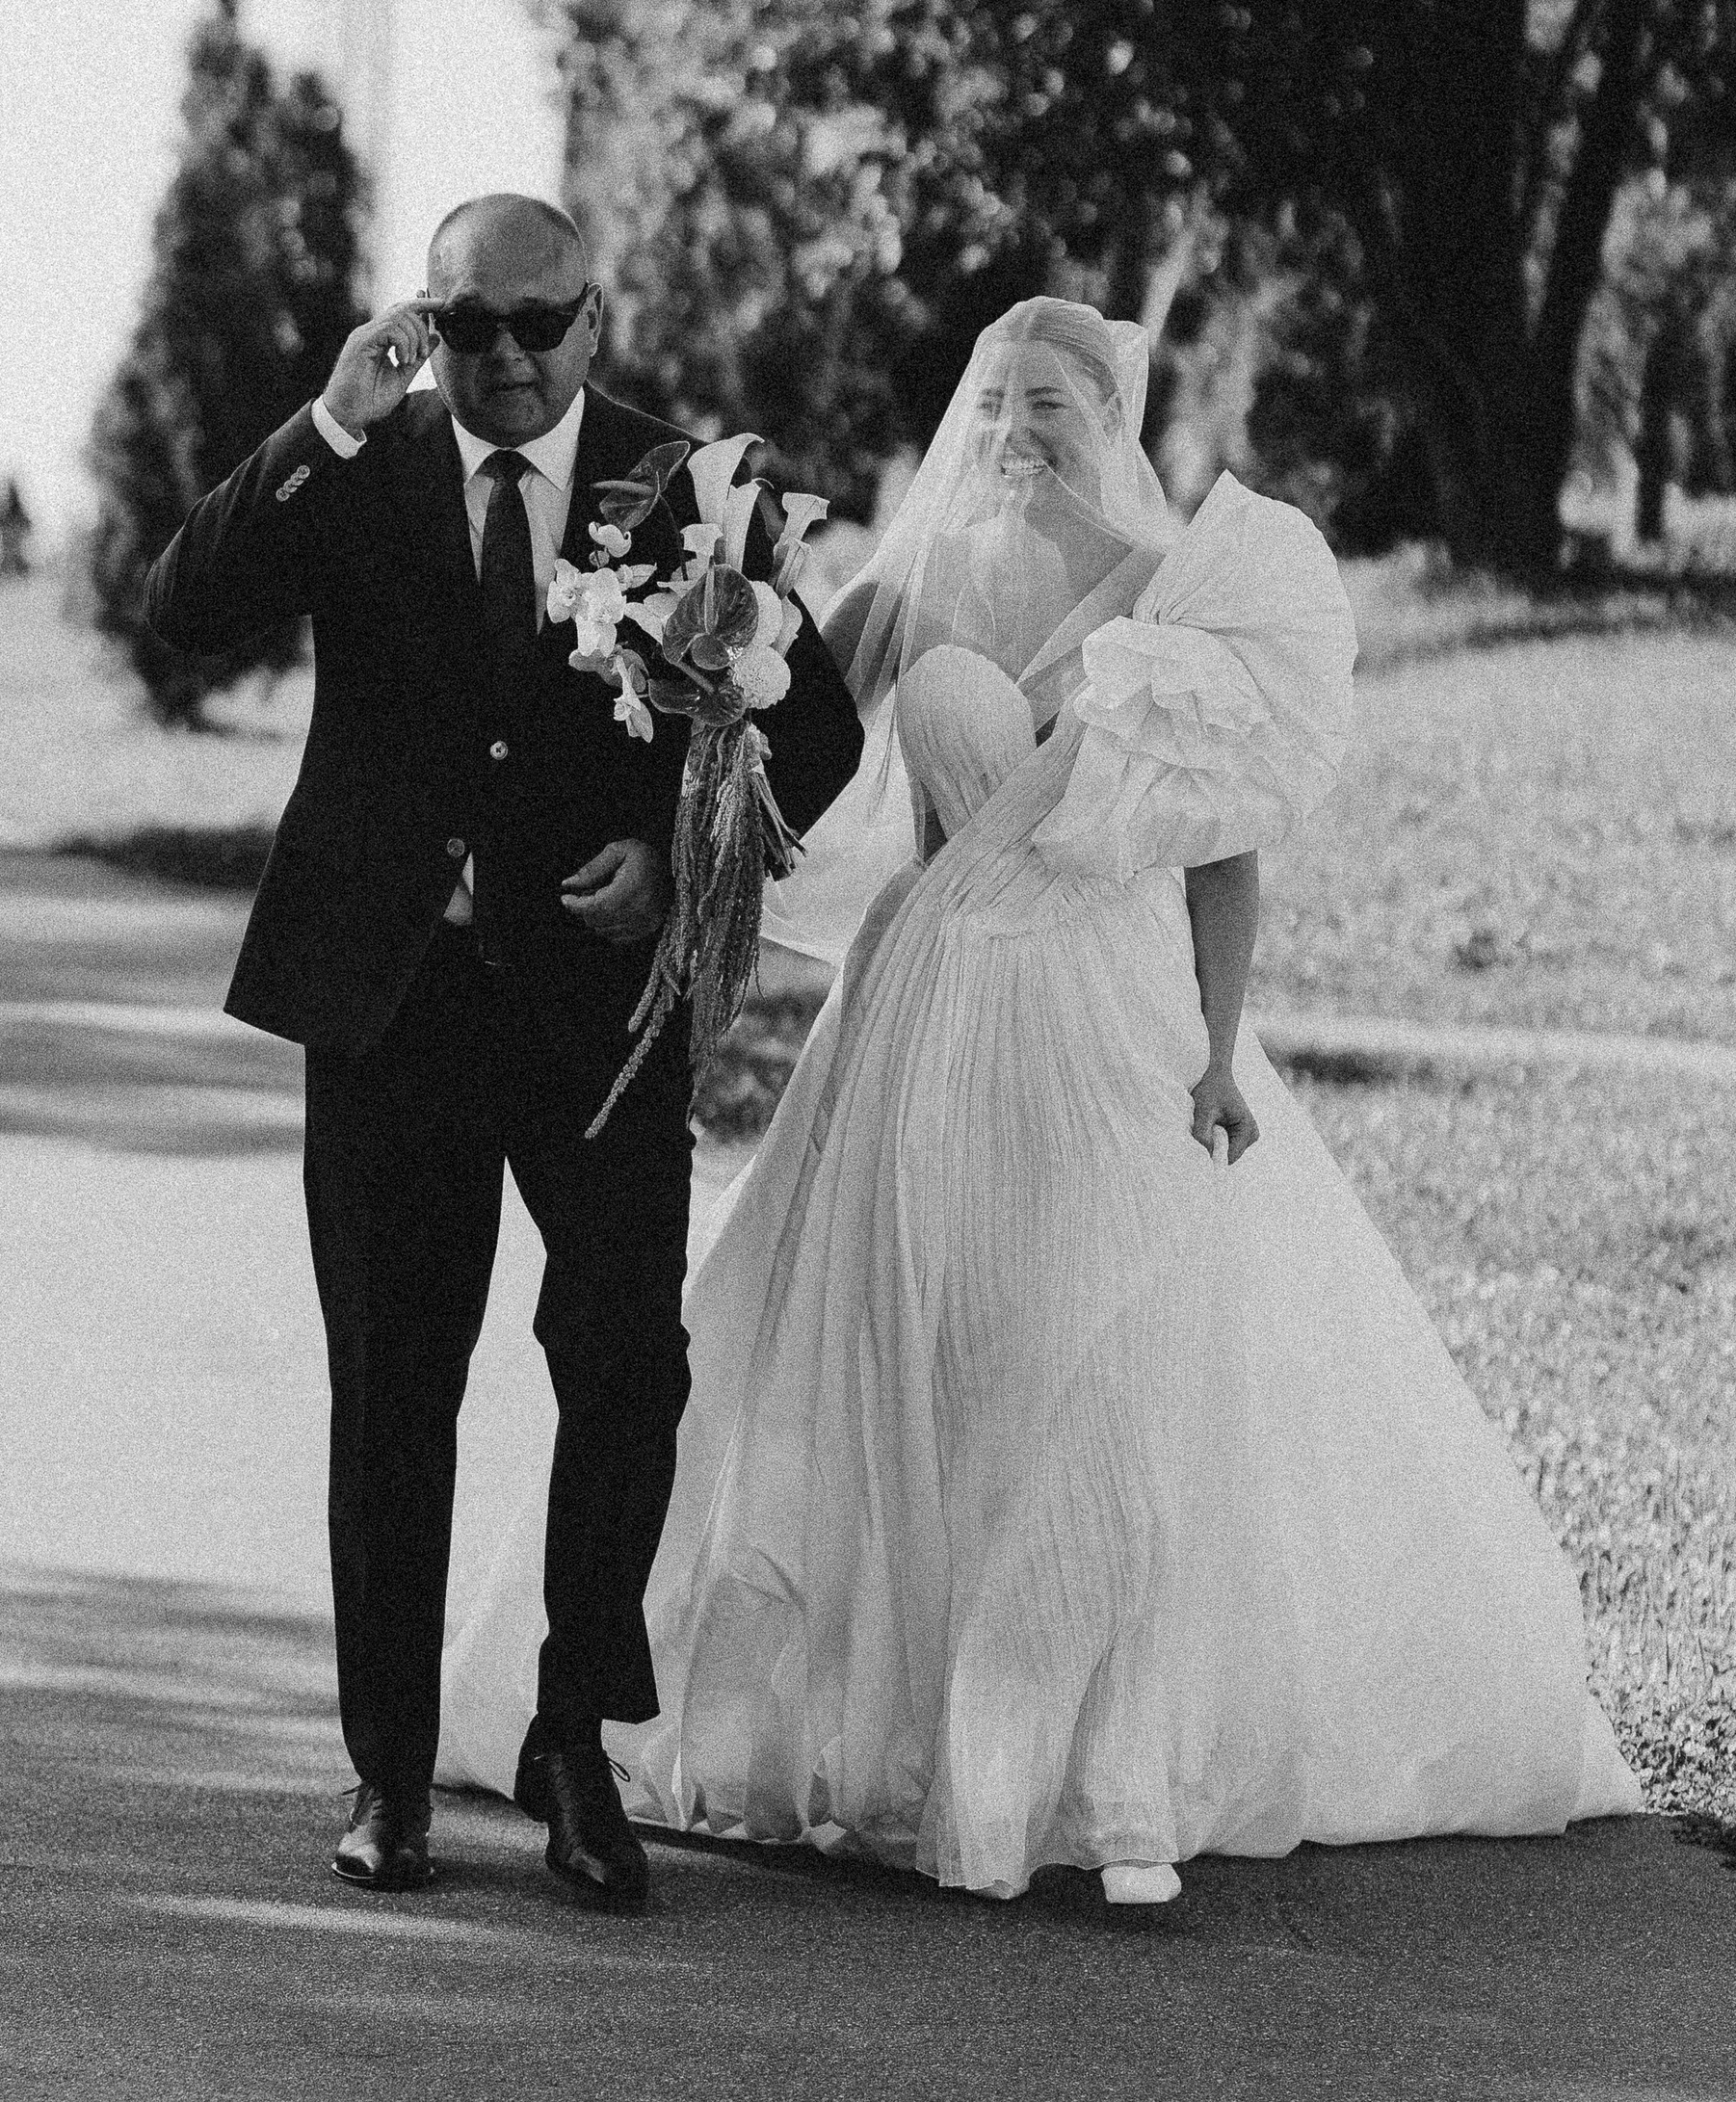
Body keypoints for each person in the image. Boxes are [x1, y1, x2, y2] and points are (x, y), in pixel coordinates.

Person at [437, 297, 1641, 1903]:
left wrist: (1220, 1054)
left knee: (1098, 1362)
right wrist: (694, 709)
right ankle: (906, 1738)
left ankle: (1094, 1772)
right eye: (994, 398)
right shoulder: (917, 578)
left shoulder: (1179, 591)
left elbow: (1221, 856)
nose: (1012, 428)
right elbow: (780, 720)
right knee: (916, 1352)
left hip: (1109, 1011)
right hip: (928, 1001)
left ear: (1110, 416)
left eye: (1049, 403)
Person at [145, 194, 864, 1908]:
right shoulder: (362, 463)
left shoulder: (684, 492)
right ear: (426, 323)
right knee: (397, 1387)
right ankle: (390, 1773)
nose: (509, 358)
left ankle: (574, 1743)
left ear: (594, 320)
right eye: (470, 326)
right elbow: (186, 606)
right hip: (389, 1005)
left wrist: (681, 856)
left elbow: (818, 729)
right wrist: (328, 420)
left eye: (541, 324)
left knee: (625, 1367)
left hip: (593, 1019)